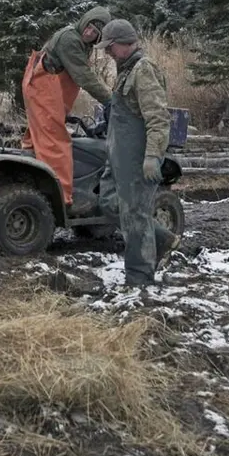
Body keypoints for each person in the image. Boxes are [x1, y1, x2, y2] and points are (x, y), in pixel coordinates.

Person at [94, 19, 179, 287]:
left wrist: (153, 156)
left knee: (135, 216)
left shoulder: (143, 70)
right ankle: (162, 239)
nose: (107, 52)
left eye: (110, 47)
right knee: (108, 203)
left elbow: (158, 118)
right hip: (117, 157)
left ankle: (139, 280)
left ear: (124, 43)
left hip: (138, 160)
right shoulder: (125, 71)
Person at [20, 6, 114, 209]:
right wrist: (109, 100)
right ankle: (62, 199)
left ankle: (27, 169)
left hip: (49, 88)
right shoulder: (70, 39)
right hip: (43, 86)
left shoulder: (81, 42)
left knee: (39, 134)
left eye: (95, 34)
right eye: (89, 28)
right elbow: (83, 75)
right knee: (56, 141)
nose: (89, 33)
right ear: (85, 22)